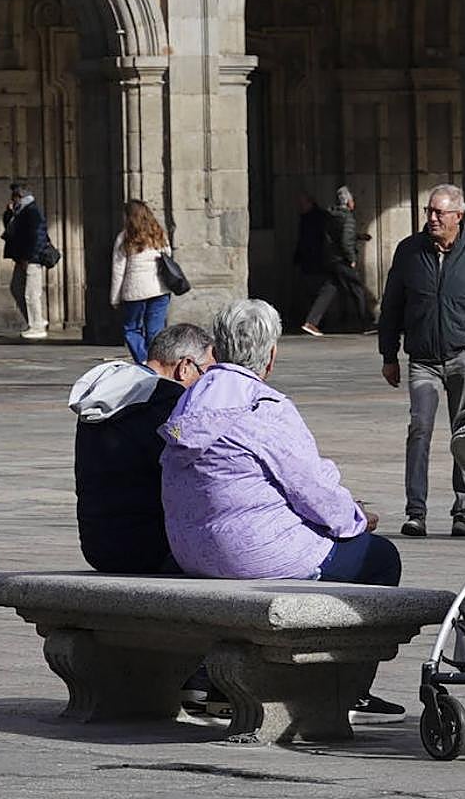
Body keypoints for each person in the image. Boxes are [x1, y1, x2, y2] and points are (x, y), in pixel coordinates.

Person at [160, 299, 404, 722]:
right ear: (271, 355)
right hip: (254, 555)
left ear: (215, 350)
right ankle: (348, 691)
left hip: (192, 551)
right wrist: (356, 519)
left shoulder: (190, 403)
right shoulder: (263, 406)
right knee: (379, 558)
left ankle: (210, 680)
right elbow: (312, 490)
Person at [378, 183, 465, 538]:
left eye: (440, 212)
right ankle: (415, 512)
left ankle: (462, 512)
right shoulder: (409, 251)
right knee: (419, 429)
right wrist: (389, 354)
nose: (433, 218)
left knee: (464, 434)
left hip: (462, 358)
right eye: (430, 211)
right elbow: (392, 305)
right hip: (422, 360)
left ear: (458, 215)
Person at [69, 323, 215, 573]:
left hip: (98, 544)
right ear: (185, 367)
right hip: (150, 548)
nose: (207, 386)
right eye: (206, 375)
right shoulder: (167, 404)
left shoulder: (108, 395)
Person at [301, 186, 370, 336]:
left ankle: (311, 322)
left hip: (330, 259)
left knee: (329, 289)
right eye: (352, 200)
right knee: (357, 287)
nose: (354, 203)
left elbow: (338, 235)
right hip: (341, 260)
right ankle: (365, 323)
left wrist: (358, 236)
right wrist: (351, 258)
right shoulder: (348, 217)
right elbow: (345, 241)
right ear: (348, 202)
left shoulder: (331, 216)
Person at [110, 200, 173, 363]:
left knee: (131, 329)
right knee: (155, 331)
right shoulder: (159, 234)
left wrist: (115, 298)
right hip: (159, 289)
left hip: (135, 292)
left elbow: (118, 270)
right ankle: (156, 362)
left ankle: (144, 360)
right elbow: (168, 256)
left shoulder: (125, 237)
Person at [1, 181, 49, 339]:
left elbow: (38, 236)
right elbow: (10, 230)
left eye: (14, 196)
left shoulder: (31, 211)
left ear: (20, 196)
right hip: (22, 258)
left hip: (31, 259)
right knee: (16, 287)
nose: (12, 199)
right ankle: (36, 320)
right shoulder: (20, 211)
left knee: (32, 293)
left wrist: (29, 257)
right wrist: (9, 214)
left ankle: (37, 327)